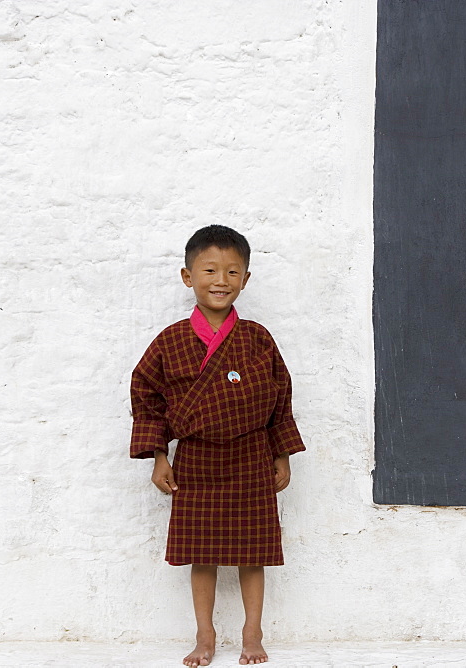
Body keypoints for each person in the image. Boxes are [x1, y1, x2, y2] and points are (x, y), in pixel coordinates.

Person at [130, 225, 305, 666]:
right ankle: (204, 635)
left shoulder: (257, 338)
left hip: (250, 456)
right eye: (209, 269)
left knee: (253, 551)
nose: (220, 280)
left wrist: (281, 454)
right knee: (200, 553)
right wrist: (158, 456)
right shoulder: (170, 341)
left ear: (245, 279)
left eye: (232, 271)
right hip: (197, 459)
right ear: (188, 276)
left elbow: (280, 396)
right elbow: (145, 394)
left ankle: (252, 632)